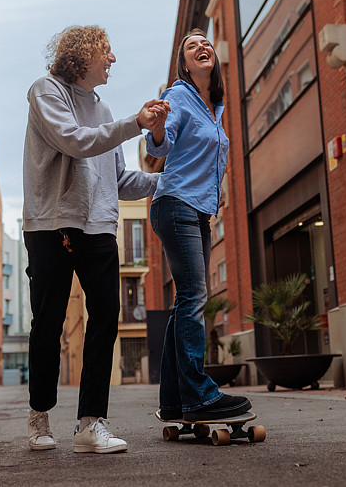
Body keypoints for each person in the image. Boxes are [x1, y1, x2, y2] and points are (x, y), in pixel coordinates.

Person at [22, 25, 169, 454]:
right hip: (51, 223)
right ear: (83, 54)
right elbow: (74, 141)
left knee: (106, 318)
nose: (114, 59)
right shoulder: (45, 91)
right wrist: (135, 123)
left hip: (99, 225)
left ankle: (90, 423)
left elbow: (119, 178)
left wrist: (166, 182)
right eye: (107, 51)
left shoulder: (105, 112)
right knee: (47, 324)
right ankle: (39, 414)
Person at [145, 28, 252, 422]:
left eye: (205, 42)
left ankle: (174, 400)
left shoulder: (215, 105)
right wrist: (157, 126)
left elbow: (212, 152)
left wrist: (216, 189)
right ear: (185, 63)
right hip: (175, 204)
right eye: (192, 45)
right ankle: (199, 397)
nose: (202, 46)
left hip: (198, 209)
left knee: (184, 303)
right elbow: (160, 145)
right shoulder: (177, 96)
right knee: (193, 297)